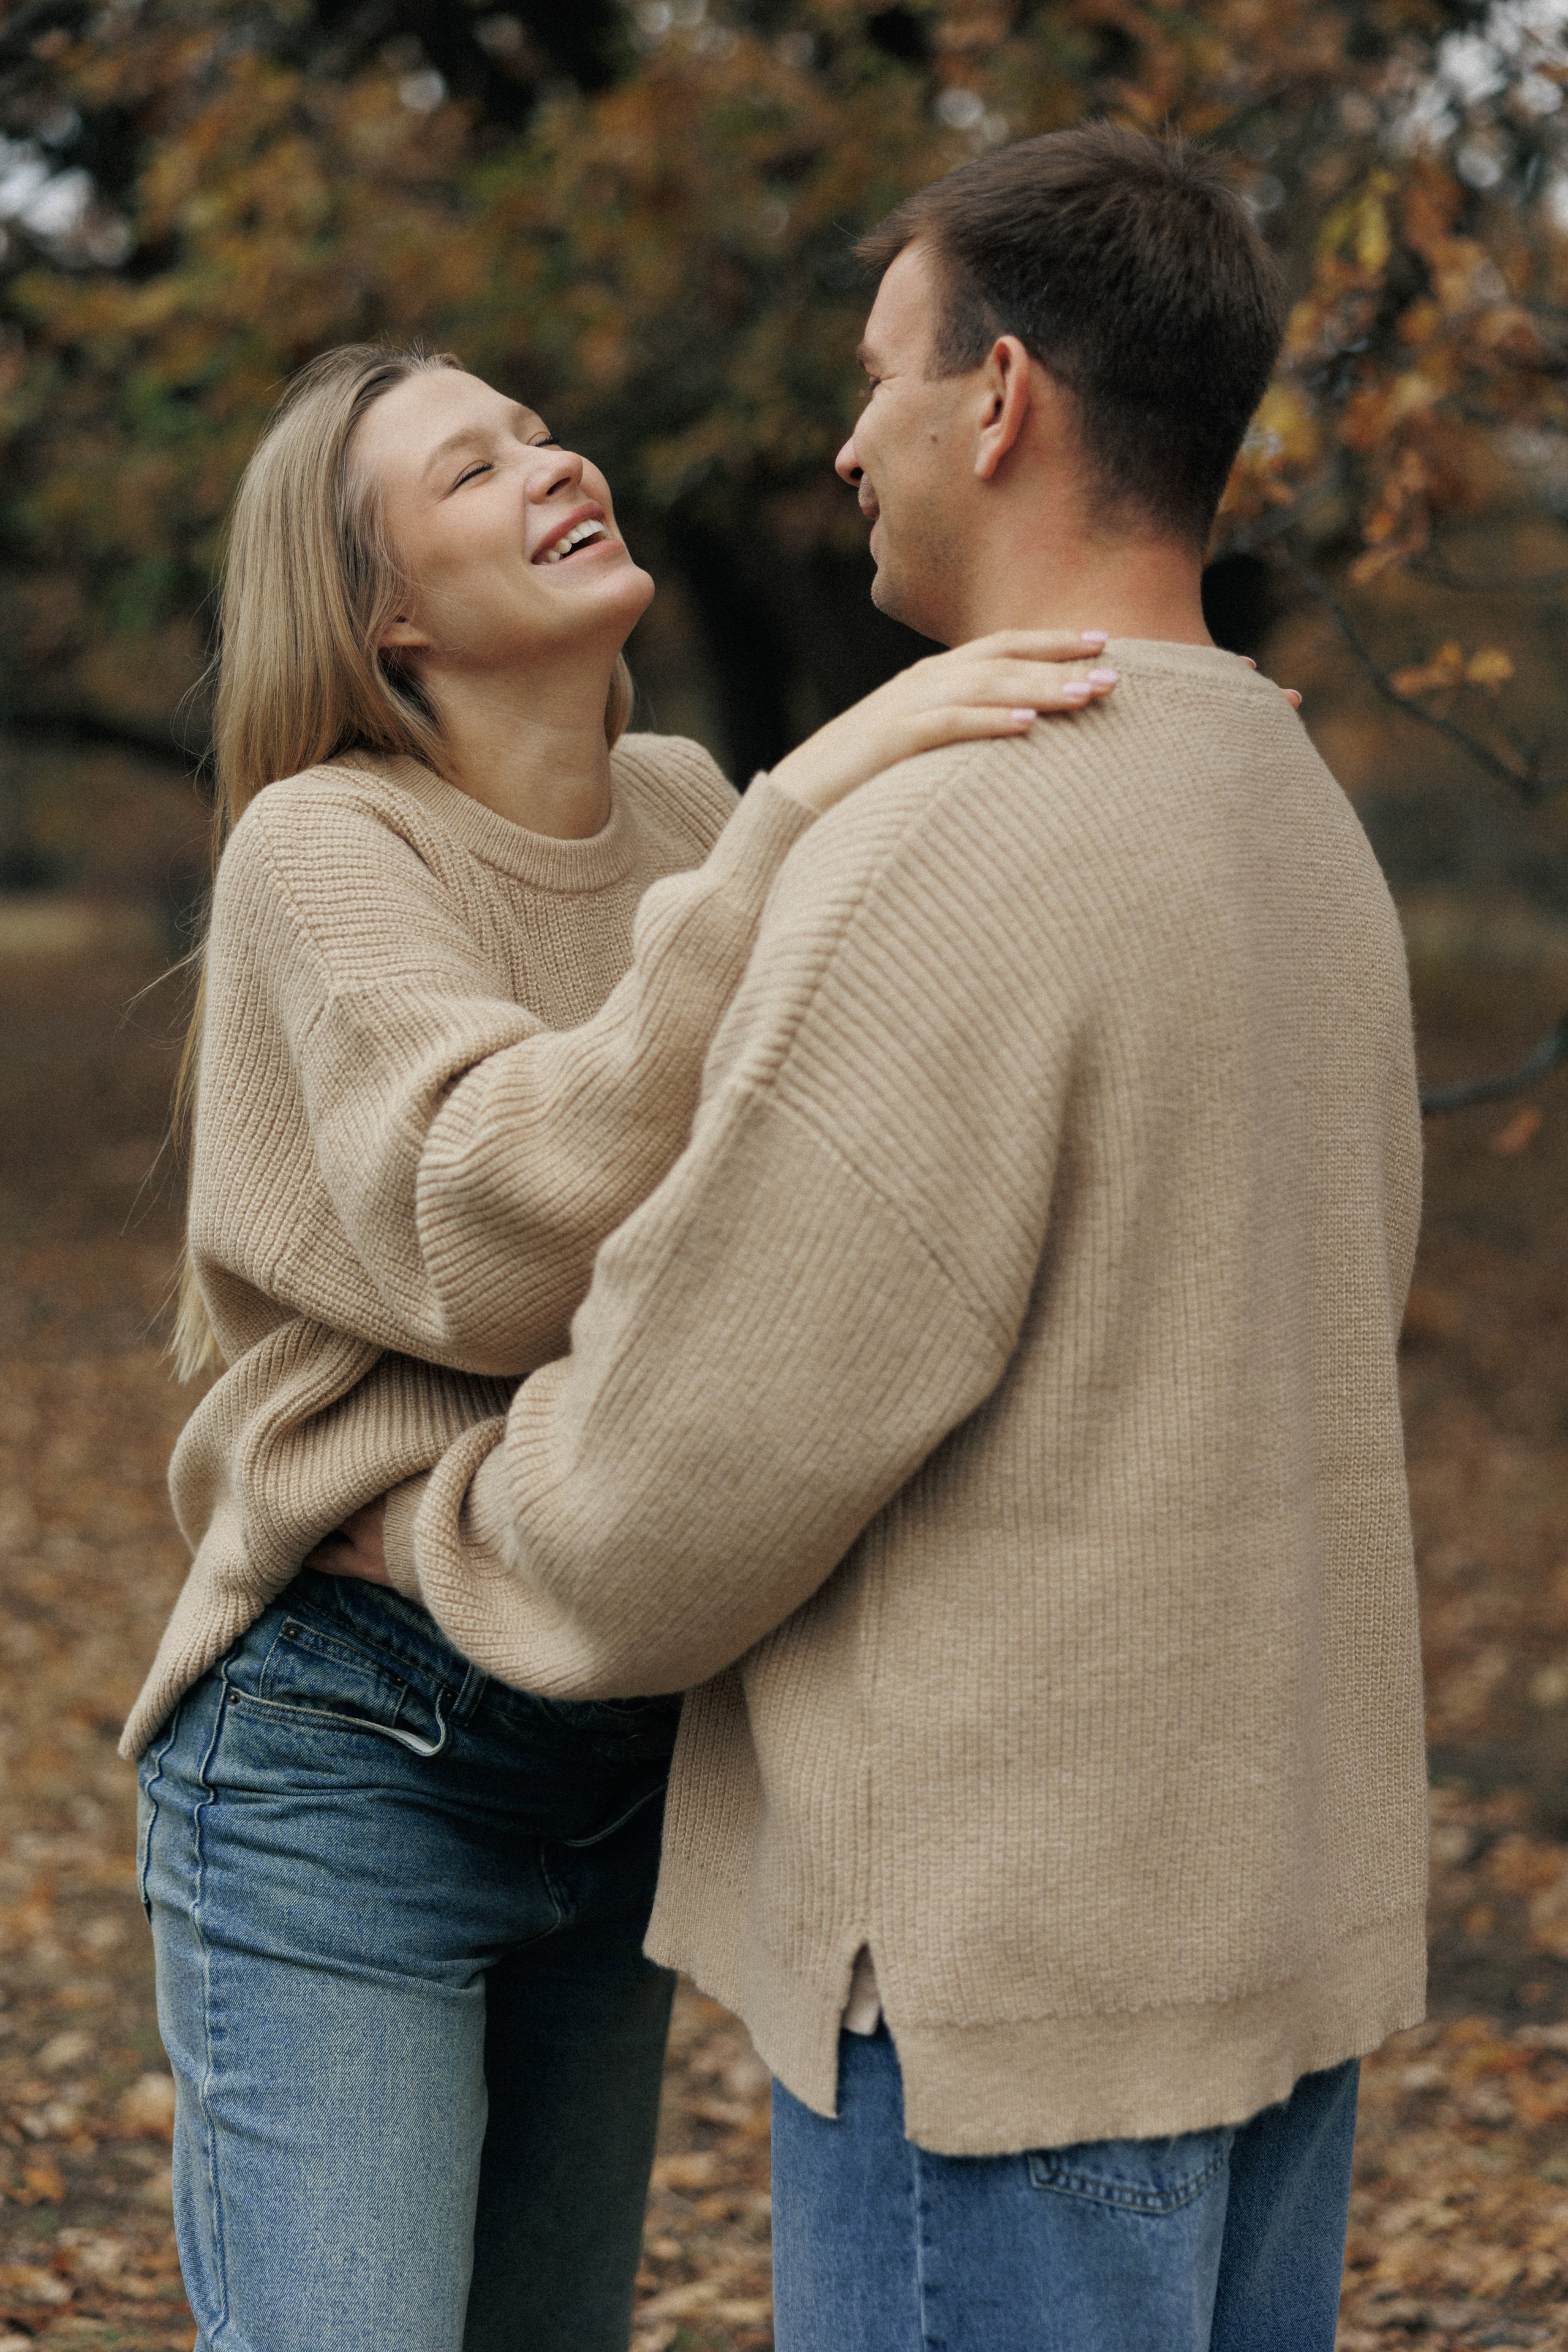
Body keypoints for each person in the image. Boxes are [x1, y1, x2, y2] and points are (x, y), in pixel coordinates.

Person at [326, 128, 1428, 2351]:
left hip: (1006, 1998)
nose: (846, 443)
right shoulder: (1292, 805)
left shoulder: (943, 848)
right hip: (1269, 1948)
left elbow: (677, 1479)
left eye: (876, 376)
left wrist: (411, 1517)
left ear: (998, 399)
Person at [121, 337, 1121, 2352]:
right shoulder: (326, 845)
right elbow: (496, 1230)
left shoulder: (680, 806)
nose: (553, 462)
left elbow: (808, 1171)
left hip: (618, 1733)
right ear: (386, 618)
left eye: (538, 431)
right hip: (346, 1750)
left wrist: (1143, 774)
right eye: (471, 470)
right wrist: (802, 814)